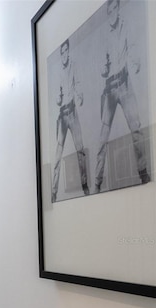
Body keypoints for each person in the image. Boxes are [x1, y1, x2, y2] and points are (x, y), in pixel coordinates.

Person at [94, 0, 150, 193]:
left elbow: (132, 47)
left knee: (136, 128)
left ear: (118, 9)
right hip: (109, 89)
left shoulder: (126, 26)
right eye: (109, 11)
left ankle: (143, 173)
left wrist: (136, 62)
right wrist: (103, 69)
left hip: (125, 83)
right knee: (102, 138)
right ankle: (97, 182)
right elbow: (101, 66)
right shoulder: (103, 36)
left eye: (115, 9)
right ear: (107, 13)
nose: (112, 14)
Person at [52, 38, 88, 203]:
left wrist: (79, 97)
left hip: (72, 112)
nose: (64, 55)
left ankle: (85, 185)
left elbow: (78, 85)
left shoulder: (74, 66)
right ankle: (53, 192)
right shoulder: (58, 73)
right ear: (61, 55)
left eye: (66, 51)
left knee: (80, 148)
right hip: (62, 115)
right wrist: (59, 99)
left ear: (69, 51)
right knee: (57, 155)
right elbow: (56, 100)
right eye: (62, 53)